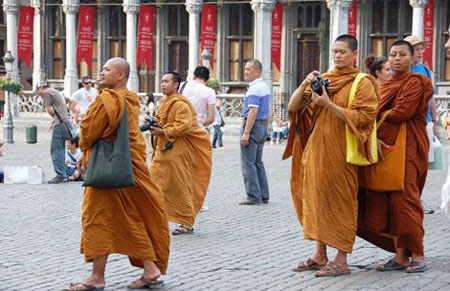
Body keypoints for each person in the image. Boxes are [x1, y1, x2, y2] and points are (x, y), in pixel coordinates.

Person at [64, 58, 170, 290]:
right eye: (102, 68)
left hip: (109, 170)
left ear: (121, 75)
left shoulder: (109, 98)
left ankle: (97, 277)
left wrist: (83, 146)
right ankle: (149, 267)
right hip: (129, 166)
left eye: (107, 70)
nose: (101, 73)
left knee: (98, 218)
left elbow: (90, 130)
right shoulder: (130, 99)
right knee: (129, 216)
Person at [283, 34, 379, 277]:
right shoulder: (325, 79)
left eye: (342, 52)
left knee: (340, 203)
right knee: (316, 201)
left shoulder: (362, 82)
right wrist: (305, 83)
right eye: (334, 51)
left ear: (354, 54)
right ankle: (320, 254)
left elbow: (364, 117)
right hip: (315, 151)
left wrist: (328, 104)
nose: (337, 55)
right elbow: (293, 108)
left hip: (342, 154)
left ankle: (341, 259)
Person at [357, 40, 433, 274]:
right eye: (393, 55)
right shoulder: (388, 85)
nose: (397, 58)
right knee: (390, 204)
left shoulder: (417, 81)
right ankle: (400, 256)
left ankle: (417, 254)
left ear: (412, 59)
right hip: (386, 150)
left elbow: (402, 112)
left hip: (409, 148)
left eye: (402, 54)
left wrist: (378, 114)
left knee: (406, 200)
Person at [149, 72, 212, 236]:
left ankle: (187, 222)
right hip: (162, 151)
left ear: (176, 84)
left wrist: (162, 132)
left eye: (166, 82)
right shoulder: (165, 101)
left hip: (176, 151)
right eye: (162, 81)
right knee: (153, 184)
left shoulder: (181, 103)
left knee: (179, 186)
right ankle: (152, 217)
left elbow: (183, 126)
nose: (163, 84)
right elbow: (163, 120)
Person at [404, 35, 436, 214]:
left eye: (420, 49)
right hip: (410, 124)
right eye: (416, 49)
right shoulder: (402, 70)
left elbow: (430, 96)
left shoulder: (425, 69)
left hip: (427, 123)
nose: (420, 51)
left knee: (423, 163)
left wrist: (435, 121)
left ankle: (418, 196)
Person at [238, 59, 271, 205]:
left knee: (248, 162)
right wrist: (267, 128)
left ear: (257, 71)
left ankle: (253, 195)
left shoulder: (254, 88)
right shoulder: (265, 87)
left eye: (248, 69)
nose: (246, 72)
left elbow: (253, 111)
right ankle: (264, 194)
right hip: (262, 125)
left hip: (253, 125)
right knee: (258, 162)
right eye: (245, 69)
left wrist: (246, 133)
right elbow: (267, 110)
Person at [35, 81, 75, 184]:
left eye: (37, 91)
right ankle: (64, 174)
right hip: (65, 122)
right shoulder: (56, 92)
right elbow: (71, 101)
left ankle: (60, 175)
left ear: (40, 88)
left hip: (60, 123)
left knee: (56, 149)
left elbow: (50, 110)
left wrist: (56, 118)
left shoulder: (47, 93)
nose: (38, 94)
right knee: (61, 148)